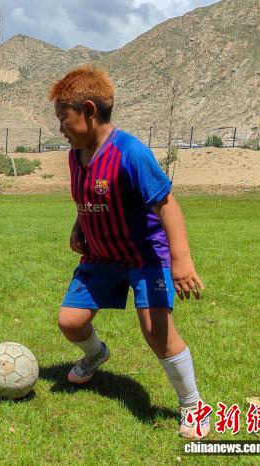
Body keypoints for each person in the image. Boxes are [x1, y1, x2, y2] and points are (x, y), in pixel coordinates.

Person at [49, 65, 209, 439]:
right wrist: (79, 226)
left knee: (156, 331)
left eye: (63, 118)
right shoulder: (76, 155)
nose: (60, 128)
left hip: (144, 256)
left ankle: (192, 405)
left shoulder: (131, 152)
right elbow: (86, 197)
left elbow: (167, 204)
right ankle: (95, 355)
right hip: (101, 257)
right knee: (70, 321)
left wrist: (182, 261)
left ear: (89, 111)